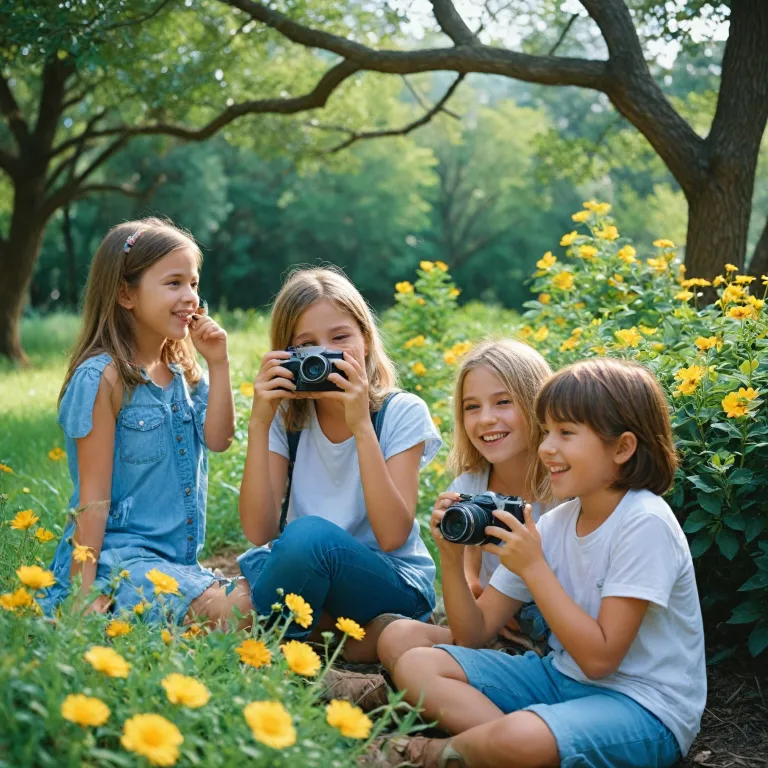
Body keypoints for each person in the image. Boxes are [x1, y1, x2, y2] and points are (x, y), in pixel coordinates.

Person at [375, 357, 706, 768]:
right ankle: (505, 746)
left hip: (643, 706)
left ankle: (434, 754)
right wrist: (450, 556)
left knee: (522, 736)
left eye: (566, 433)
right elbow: (474, 634)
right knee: (418, 664)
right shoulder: (555, 523)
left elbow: (601, 660)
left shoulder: (644, 522)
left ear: (622, 447)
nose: (547, 447)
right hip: (560, 679)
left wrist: (534, 568)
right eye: (547, 431)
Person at [40, 218, 249, 628]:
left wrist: (218, 363)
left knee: (271, 594)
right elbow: (93, 499)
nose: (191, 297)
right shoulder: (103, 378)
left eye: (194, 283)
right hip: (118, 563)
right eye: (174, 283)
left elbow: (220, 439)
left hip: (177, 564)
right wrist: (86, 595)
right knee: (241, 610)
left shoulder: (184, 373)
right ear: (125, 294)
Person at [237, 267, 441, 661]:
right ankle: (344, 645)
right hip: (307, 574)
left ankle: (283, 653)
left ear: (365, 340)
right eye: (307, 344)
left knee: (306, 537)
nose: (324, 354)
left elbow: (392, 536)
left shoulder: (401, 412)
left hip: (387, 581)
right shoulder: (286, 419)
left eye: (340, 338)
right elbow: (258, 529)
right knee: (242, 589)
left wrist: (361, 425)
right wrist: (259, 421)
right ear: (286, 355)